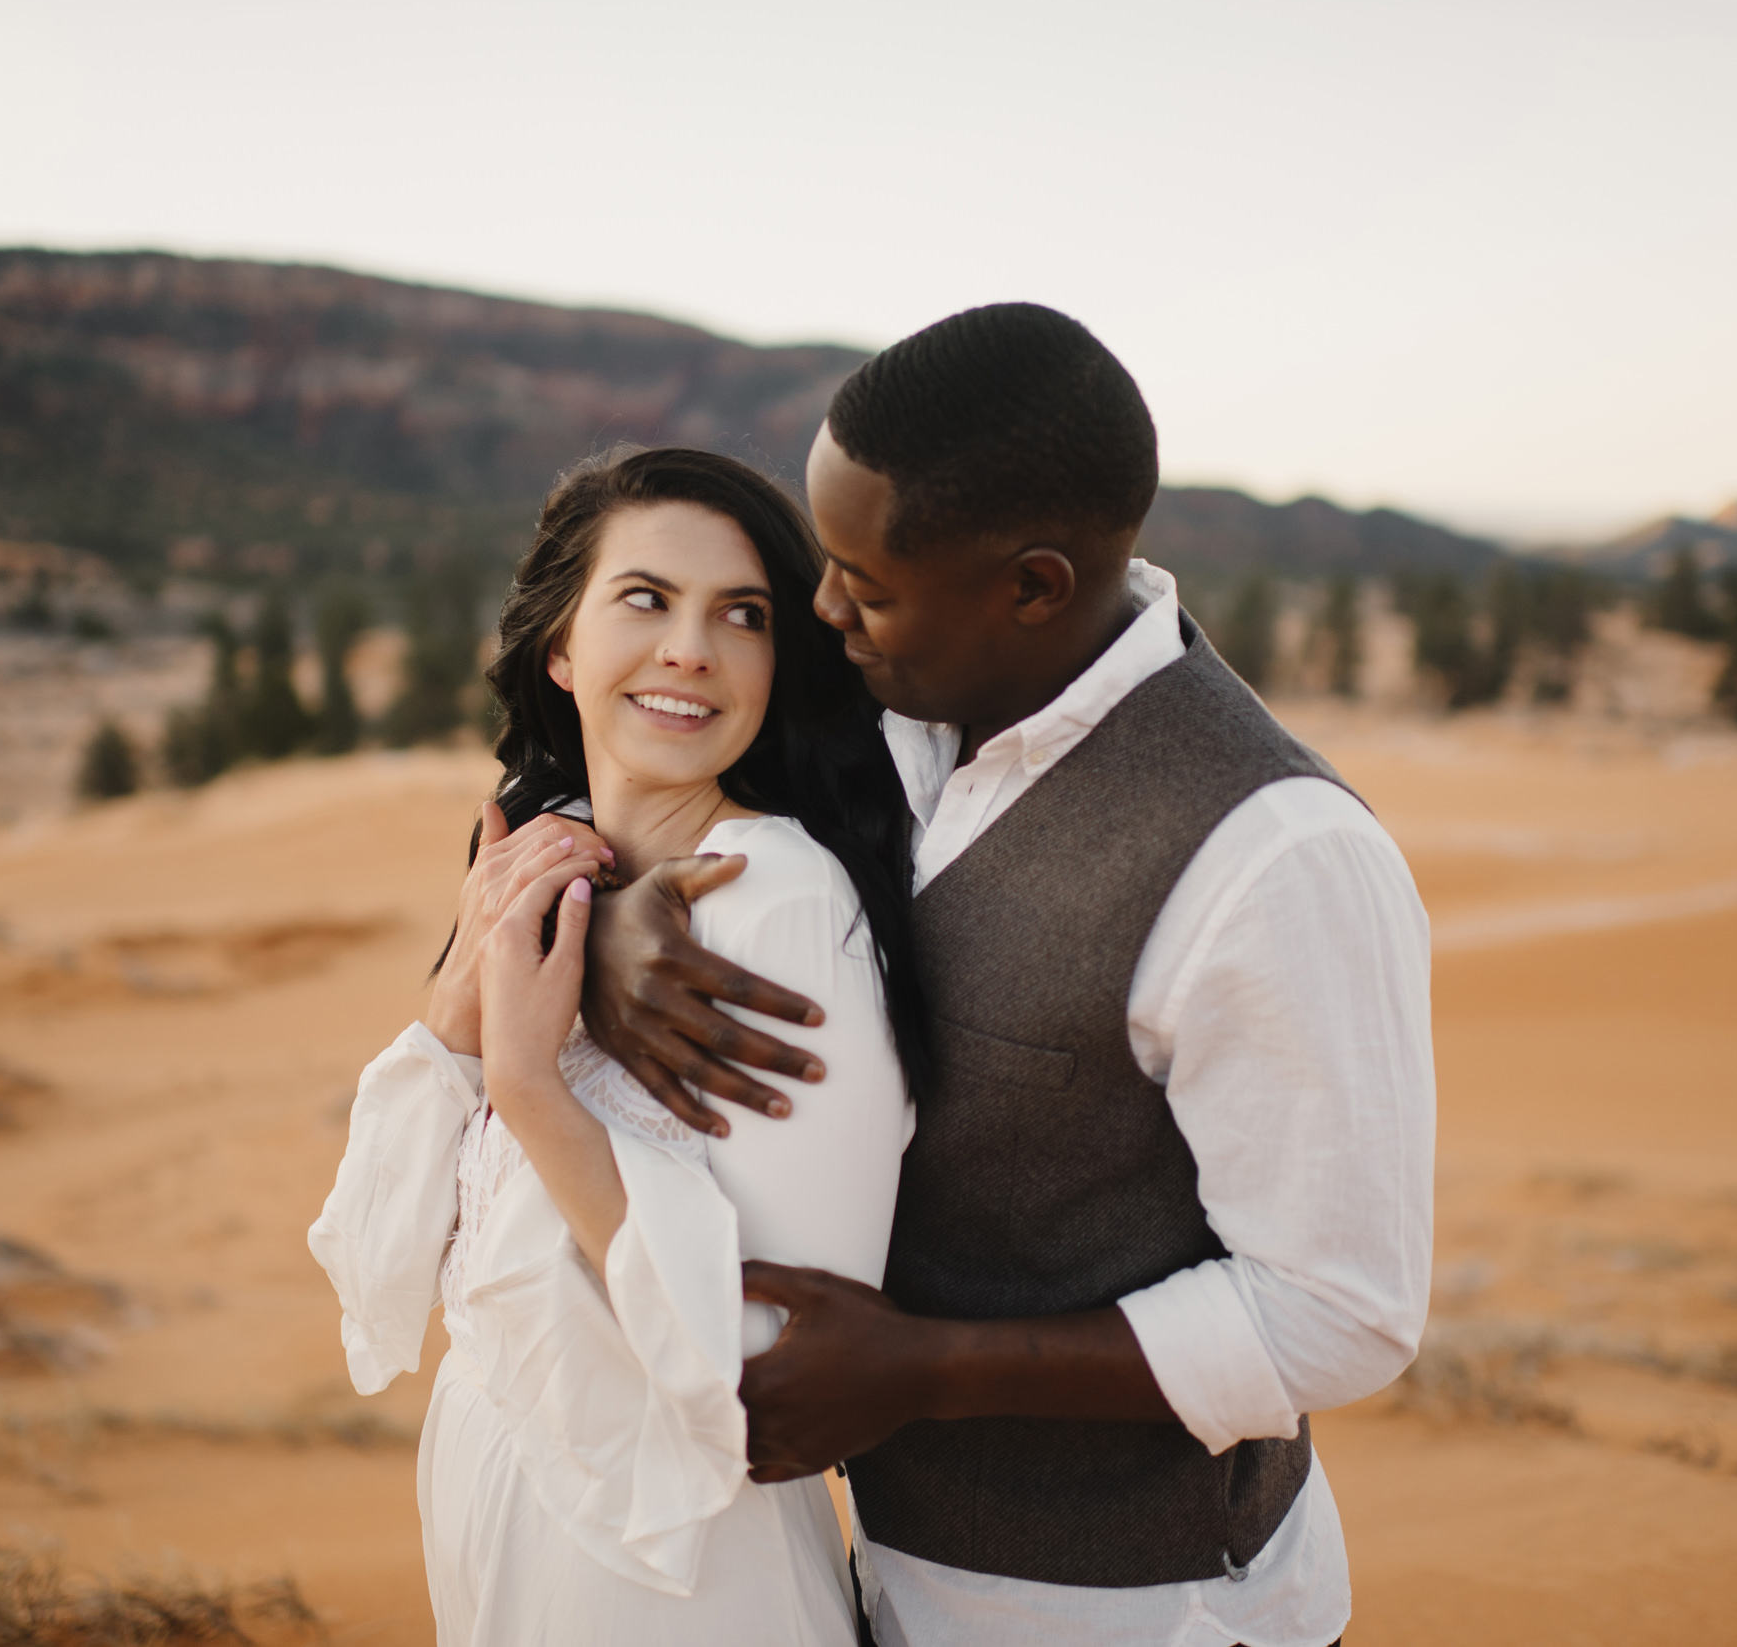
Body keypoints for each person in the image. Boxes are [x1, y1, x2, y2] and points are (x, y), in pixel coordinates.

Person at [582, 304, 1436, 1646]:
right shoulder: (895, 689)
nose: (822, 610)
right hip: (872, 1580)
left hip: (1142, 1616)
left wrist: (925, 1370)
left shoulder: (1276, 859)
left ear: (1032, 586)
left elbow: (1341, 1314)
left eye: (863, 582)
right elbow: (615, 762)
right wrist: (611, 909)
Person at [308, 447, 928, 1645]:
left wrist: (534, 1089)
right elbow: (377, 1270)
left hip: (681, 1575)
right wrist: (454, 1025)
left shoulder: (783, 904)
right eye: (645, 599)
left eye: (740, 616)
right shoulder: (540, 864)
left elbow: (775, 1367)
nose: (690, 648)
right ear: (560, 646)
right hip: (507, 1525)